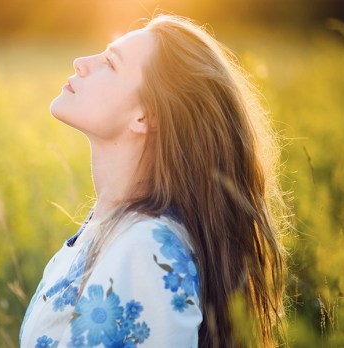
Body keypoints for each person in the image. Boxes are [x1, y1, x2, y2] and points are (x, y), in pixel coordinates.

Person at [20, 14, 287, 347]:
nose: (81, 63)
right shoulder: (109, 228)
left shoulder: (148, 251)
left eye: (110, 64)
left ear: (146, 115)